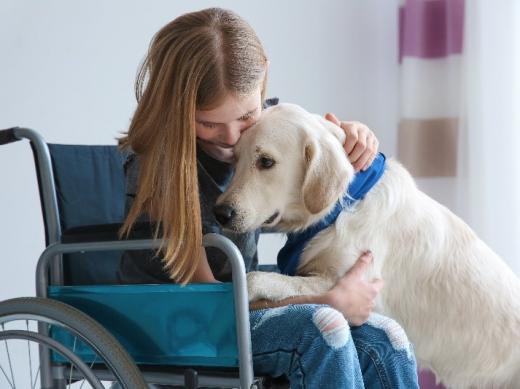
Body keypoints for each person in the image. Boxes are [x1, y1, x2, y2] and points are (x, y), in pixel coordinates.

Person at [118, 7, 419, 388]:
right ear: (176, 106)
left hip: (239, 310)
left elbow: (306, 154)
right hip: (183, 323)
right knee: (322, 326)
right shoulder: (160, 170)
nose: (230, 137)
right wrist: (330, 300)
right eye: (209, 122)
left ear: (261, 85)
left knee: (385, 338)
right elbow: (210, 302)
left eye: (245, 116)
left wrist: (351, 135)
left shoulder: (261, 136)